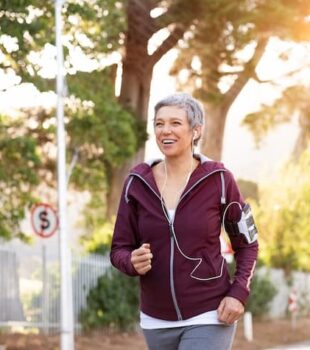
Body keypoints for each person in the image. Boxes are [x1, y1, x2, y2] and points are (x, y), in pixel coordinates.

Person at [110, 92, 259, 350]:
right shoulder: (136, 183)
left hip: (209, 312)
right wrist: (131, 261)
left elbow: (248, 244)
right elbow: (118, 249)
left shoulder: (220, 180)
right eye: (159, 123)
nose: (165, 130)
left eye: (175, 123)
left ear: (196, 130)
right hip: (155, 319)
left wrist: (238, 294)